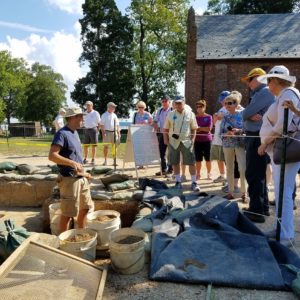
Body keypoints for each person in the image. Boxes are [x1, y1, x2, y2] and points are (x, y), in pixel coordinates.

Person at [257, 65, 300, 246]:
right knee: (282, 191)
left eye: (269, 81)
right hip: (280, 149)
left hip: (284, 149)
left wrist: (265, 142)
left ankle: (286, 235)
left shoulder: (288, 94)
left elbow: (283, 125)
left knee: (283, 192)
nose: (268, 85)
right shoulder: (284, 95)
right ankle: (281, 229)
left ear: (275, 80)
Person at [48, 107, 94, 233]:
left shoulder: (75, 132)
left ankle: (81, 233)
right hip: (69, 180)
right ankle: (63, 241)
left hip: (81, 177)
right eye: (80, 116)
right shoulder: (62, 134)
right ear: (73, 117)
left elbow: (74, 155)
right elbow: (52, 156)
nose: (83, 119)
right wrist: (72, 163)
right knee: (68, 214)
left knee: (85, 207)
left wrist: (84, 173)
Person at [241, 67, 275, 223]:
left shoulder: (264, 92)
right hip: (256, 136)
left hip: (256, 137)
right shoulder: (261, 93)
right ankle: (263, 208)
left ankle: (256, 211)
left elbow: (244, 114)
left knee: (254, 174)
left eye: (249, 80)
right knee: (258, 174)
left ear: (257, 79)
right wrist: (248, 115)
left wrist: (248, 115)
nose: (248, 83)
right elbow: (248, 114)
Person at [163, 97, 200, 191]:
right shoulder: (170, 114)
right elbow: (165, 129)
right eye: (177, 103)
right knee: (175, 162)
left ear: (184, 103)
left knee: (191, 162)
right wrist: (166, 140)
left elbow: (194, 129)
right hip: (173, 142)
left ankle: (194, 182)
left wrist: (193, 140)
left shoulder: (190, 114)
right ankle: (178, 182)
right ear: (174, 104)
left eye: (180, 103)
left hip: (187, 142)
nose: (178, 105)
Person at [220, 94, 247, 201]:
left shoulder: (243, 115)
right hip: (227, 145)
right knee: (229, 168)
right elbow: (220, 133)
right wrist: (227, 133)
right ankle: (230, 192)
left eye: (230, 103)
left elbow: (247, 130)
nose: (227, 105)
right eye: (226, 103)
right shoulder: (225, 117)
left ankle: (244, 193)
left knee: (242, 168)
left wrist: (238, 131)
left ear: (236, 104)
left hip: (240, 144)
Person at [211, 91, 230, 183]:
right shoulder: (221, 109)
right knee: (219, 158)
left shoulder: (233, 108)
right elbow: (215, 124)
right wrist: (215, 117)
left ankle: (229, 178)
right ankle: (222, 175)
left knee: (228, 160)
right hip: (217, 139)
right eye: (221, 100)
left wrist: (223, 117)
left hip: (227, 139)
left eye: (224, 100)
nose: (222, 102)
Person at [153, 95, 173, 176]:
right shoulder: (159, 110)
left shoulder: (172, 110)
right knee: (161, 152)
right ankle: (163, 169)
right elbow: (155, 120)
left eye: (165, 101)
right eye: (163, 101)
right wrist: (156, 125)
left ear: (169, 102)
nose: (164, 103)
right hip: (162, 134)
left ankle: (171, 169)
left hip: (171, 134)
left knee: (171, 152)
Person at [194, 100, 213, 180]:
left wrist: (199, 128)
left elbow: (209, 129)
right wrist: (200, 129)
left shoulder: (209, 117)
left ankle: (209, 173)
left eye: (201, 107)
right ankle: (198, 174)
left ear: (204, 107)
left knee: (208, 159)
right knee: (198, 159)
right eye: (197, 107)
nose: (199, 108)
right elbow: (193, 128)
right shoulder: (194, 117)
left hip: (207, 140)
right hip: (197, 141)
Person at [100, 102, 120, 166]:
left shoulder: (115, 115)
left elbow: (117, 125)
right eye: (113, 107)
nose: (114, 108)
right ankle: (105, 161)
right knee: (106, 147)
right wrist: (103, 133)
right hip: (107, 132)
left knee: (114, 147)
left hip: (114, 133)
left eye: (114, 107)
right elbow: (102, 125)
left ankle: (114, 161)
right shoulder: (104, 115)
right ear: (109, 107)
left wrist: (118, 133)